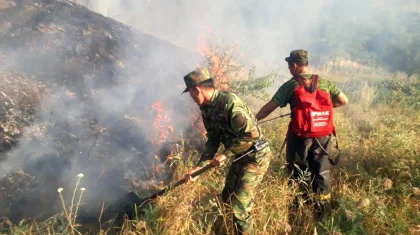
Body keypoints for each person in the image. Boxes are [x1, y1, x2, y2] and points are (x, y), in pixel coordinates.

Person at [255, 50, 348, 217]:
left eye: (290, 66)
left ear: (296, 65)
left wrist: (253, 121)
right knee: (321, 172)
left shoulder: (291, 85)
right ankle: (323, 213)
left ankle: (298, 211)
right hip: (323, 135)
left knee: (297, 171)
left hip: (299, 137)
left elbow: (270, 107)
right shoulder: (325, 82)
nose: (289, 70)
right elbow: (343, 100)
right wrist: (318, 110)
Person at [183, 67, 272, 235]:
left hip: (255, 156)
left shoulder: (229, 102)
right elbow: (213, 139)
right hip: (240, 156)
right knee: (227, 197)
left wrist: (225, 154)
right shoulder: (206, 108)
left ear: (197, 89)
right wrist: (199, 168)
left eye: (191, 94)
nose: (192, 98)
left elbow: (251, 135)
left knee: (239, 205)